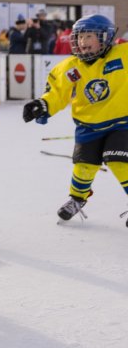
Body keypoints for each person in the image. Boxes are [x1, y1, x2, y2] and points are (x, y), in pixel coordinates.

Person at [22, 14, 128, 224]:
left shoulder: (123, 54)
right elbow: (56, 94)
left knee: (118, 161)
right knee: (83, 167)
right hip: (88, 126)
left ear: (105, 38)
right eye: (79, 37)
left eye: (89, 36)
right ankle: (77, 198)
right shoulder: (70, 67)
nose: (83, 42)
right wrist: (42, 105)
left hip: (121, 123)